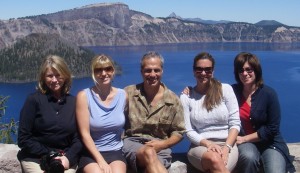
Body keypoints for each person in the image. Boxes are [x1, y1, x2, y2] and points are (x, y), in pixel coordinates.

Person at [122, 51, 185, 173]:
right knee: (149, 153)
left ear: (162, 71)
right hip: (132, 143)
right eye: (148, 70)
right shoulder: (128, 93)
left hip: (161, 148)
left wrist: (162, 144)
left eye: (156, 70)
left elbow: (179, 131)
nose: (152, 74)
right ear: (141, 72)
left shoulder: (173, 100)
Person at [232, 52, 295, 173]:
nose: (245, 74)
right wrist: (191, 90)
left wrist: (244, 139)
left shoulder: (269, 94)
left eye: (248, 70)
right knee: (248, 157)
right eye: (241, 70)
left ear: (256, 70)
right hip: (246, 145)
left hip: (270, 144)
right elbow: (211, 91)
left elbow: (272, 129)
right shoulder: (232, 92)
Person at [17, 55, 82, 173]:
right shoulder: (34, 100)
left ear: (65, 76)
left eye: (58, 75)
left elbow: (78, 138)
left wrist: (68, 158)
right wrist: (49, 154)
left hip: (64, 159)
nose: (54, 80)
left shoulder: (73, 102)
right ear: (43, 77)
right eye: (50, 76)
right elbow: (23, 138)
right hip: (35, 158)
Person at [180, 52, 241, 173]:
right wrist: (208, 144)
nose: (203, 73)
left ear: (212, 71)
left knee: (217, 165)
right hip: (200, 147)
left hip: (228, 144)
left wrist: (226, 148)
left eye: (208, 70)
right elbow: (188, 130)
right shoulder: (186, 97)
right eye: (199, 69)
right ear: (193, 71)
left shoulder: (226, 90)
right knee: (215, 160)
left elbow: (235, 123)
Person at [76, 54, 127, 173]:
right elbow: (84, 134)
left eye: (108, 69)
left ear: (113, 71)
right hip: (91, 152)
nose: (104, 73)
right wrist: (101, 161)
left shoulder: (123, 95)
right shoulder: (84, 96)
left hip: (116, 151)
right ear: (93, 73)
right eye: (98, 70)